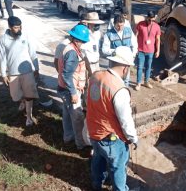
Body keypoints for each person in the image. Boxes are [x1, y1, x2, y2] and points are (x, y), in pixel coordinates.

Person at [86, 46, 138, 191]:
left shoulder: (95, 76)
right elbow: (125, 120)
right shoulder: (119, 89)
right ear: (125, 68)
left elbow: (90, 101)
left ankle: (96, 185)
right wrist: (133, 138)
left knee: (98, 159)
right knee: (118, 167)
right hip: (110, 138)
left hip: (94, 131)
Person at [0, 16, 39, 126]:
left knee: (30, 95)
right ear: (10, 27)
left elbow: (32, 53)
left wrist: (36, 68)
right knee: (15, 96)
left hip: (27, 71)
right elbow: (2, 58)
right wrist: (3, 74)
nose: (19, 29)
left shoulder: (25, 36)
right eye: (16, 27)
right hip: (13, 73)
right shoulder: (3, 40)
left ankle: (29, 118)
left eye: (20, 26)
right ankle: (22, 101)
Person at [57, 24, 91, 150]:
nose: (83, 43)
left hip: (64, 87)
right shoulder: (72, 53)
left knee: (67, 113)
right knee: (78, 117)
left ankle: (68, 137)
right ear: (77, 40)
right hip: (69, 89)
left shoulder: (70, 48)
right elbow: (67, 75)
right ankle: (80, 144)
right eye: (82, 41)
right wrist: (73, 93)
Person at [102, 14, 137, 87]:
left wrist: (133, 55)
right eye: (118, 26)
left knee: (126, 80)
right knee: (114, 79)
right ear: (114, 24)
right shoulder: (109, 34)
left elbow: (135, 44)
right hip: (114, 62)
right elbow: (104, 50)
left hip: (126, 61)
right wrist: (116, 51)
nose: (120, 28)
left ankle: (126, 95)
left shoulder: (129, 31)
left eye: (122, 25)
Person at [134, 10, 161, 91]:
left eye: (153, 20)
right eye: (149, 19)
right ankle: (138, 83)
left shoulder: (157, 26)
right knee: (140, 67)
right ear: (146, 18)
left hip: (150, 51)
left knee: (148, 67)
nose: (151, 21)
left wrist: (158, 50)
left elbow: (158, 39)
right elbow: (136, 36)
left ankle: (146, 82)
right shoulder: (140, 24)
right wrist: (135, 48)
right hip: (141, 50)